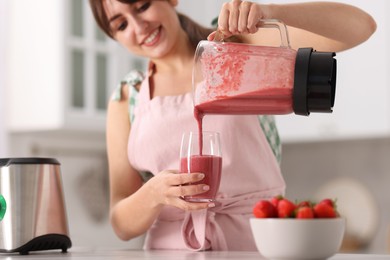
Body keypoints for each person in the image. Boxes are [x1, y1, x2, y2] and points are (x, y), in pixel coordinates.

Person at [89, 0, 376, 251]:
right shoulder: (128, 96)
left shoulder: (238, 46)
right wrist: (152, 194)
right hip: (169, 251)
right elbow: (121, 224)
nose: (139, 26)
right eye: (121, 24)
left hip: (255, 246)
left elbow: (361, 27)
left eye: (142, 6)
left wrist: (269, 11)